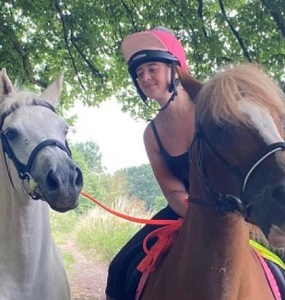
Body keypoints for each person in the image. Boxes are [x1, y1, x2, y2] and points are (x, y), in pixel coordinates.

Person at [105, 26, 203, 300]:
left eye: (152, 68)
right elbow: (172, 190)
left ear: (175, 69)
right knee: (119, 268)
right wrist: (195, 212)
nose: (145, 77)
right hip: (184, 210)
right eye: (139, 73)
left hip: (232, 209)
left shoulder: (212, 110)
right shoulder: (152, 134)